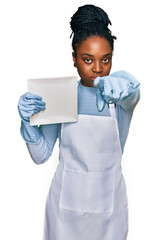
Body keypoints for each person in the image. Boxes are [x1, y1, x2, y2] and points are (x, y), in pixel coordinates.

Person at [18, 4, 140, 240]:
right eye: (87, 59)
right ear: (74, 58)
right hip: (64, 213)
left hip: (109, 212)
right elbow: (41, 155)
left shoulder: (119, 97)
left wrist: (127, 83)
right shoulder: (61, 94)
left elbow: (133, 95)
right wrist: (27, 123)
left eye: (106, 60)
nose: (98, 69)